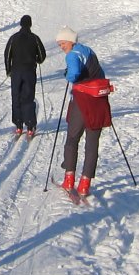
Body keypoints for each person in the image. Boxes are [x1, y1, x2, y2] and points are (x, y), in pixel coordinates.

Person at [55, 28, 114, 196]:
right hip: (98, 102)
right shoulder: (88, 51)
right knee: (92, 143)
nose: (61, 46)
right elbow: (100, 73)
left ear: (71, 41)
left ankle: (68, 179)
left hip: (81, 102)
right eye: (60, 44)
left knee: (72, 139)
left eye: (63, 43)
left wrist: (67, 74)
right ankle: (85, 184)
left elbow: (73, 75)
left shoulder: (72, 55)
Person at [3, 14, 47, 135]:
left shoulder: (13, 38)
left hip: (16, 71)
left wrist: (8, 70)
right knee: (28, 97)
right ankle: (30, 125)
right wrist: (37, 60)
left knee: (16, 96)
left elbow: (7, 55)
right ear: (30, 24)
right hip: (29, 71)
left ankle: (18, 125)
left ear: (21, 24)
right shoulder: (35, 38)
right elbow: (42, 55)